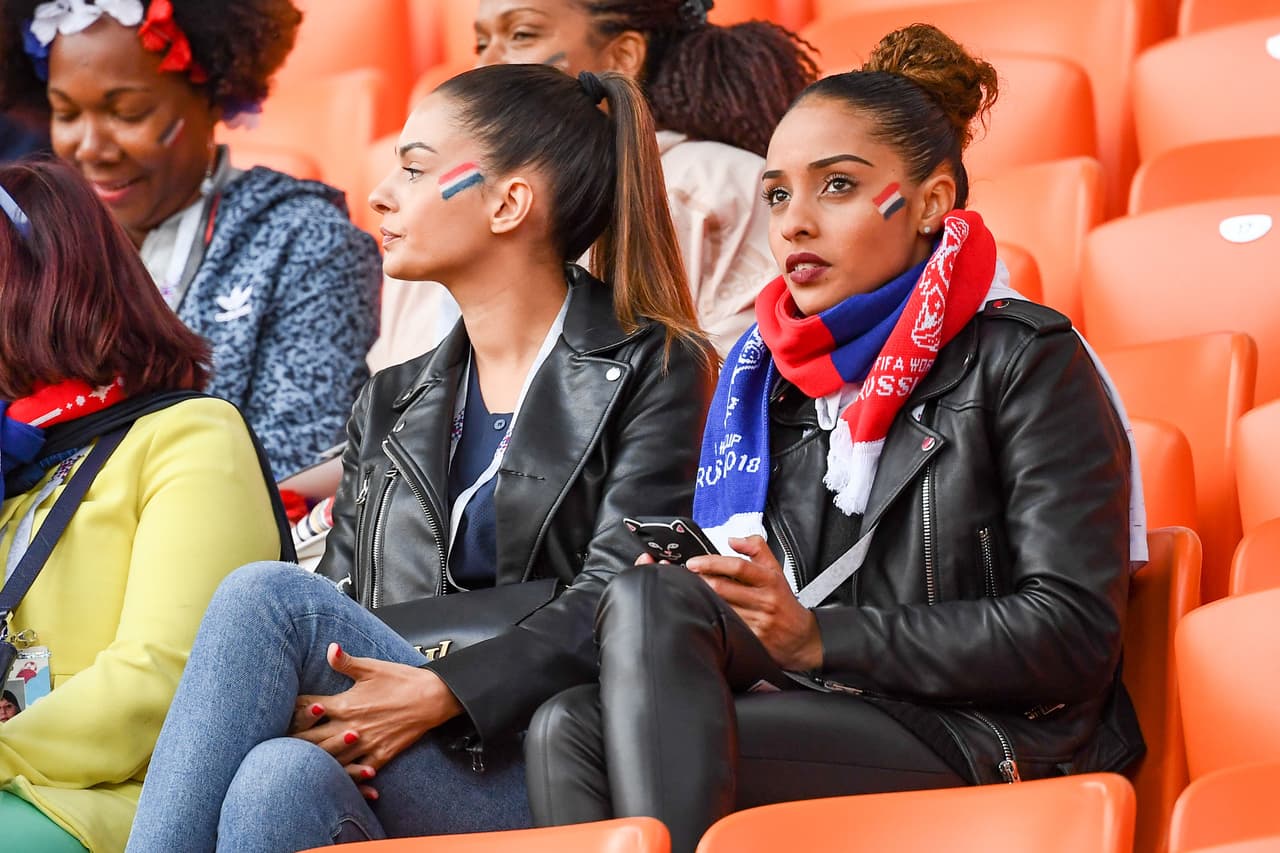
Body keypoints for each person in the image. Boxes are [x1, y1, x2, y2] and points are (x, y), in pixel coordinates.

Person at [523, 24, 1147, 853]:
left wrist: (821, 638)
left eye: (838, 188)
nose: (795, 224)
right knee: (581, 701)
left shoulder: (1025, 359)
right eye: (777, 195)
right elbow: (779, 611)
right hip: (837, 699)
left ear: (930, 202)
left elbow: (1073, 634)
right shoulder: (766, 377)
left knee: (607, 707)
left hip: (993, 736)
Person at [126, 63, 716, 852]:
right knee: (277, 777)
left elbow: (622, 598)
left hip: (546, 763)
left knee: (268, 597)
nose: (379, 194)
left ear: (508, 202)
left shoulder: (657, 364)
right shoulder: (392, 394)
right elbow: (345, 589)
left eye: (413, 168)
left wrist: (446, 690)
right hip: (413, 758)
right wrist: (318, 710)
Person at [0, 159, 283, 853]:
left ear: (35, 290)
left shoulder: (190, 434)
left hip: (116, 804)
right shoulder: (13, 455)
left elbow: (162, 686)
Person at [0, 0, 381, 479]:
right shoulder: (25, 240)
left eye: (129, 112)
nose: (91, 147)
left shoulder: (307, 243)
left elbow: (299, 464)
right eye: (67, 113)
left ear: (214, 96)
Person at [369, 0, 818, 368]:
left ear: (622, 57)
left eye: (522, 34)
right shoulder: (430, 228)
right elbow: (377, 437)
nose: (485, 64)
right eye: (481, 42)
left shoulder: (713, 188)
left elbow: (737, 400)